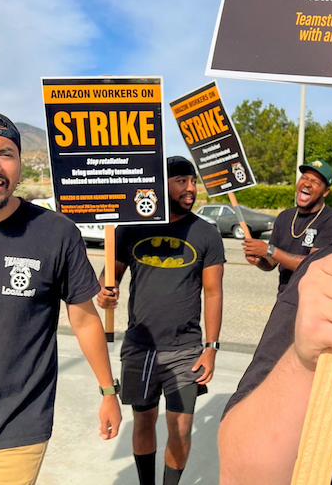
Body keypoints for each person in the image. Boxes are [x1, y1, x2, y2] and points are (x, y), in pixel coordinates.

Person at [0, 110, 121, 485]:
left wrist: (109, 391)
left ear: (20, 165)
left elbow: (84, 317)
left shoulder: (56, 232)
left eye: (6, 154)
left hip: (21, 422)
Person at [96, 157, 224, 485]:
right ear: (160, 184)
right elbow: (110, 278)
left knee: (180, 427)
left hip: (185, 349)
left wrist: (211, 347)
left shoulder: (205, 232)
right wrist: (105, 293)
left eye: (192, 181)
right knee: (143, 423)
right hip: (140, 347)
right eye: (181, 181)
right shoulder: (130, 227)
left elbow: (213, 293)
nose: (191, 188)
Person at [219, 243, 332, 483]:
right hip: (311, 313)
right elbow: (240, 472)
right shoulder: (289, 221)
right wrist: (304, 358)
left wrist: (270, 250)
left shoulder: (329, 222)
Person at [242, 160, 332, 293]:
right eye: (304, 178)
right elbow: (271, 263)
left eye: (315, 182)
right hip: (284, 297)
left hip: (314, 300)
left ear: (325, 192)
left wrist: (270, 250)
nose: (307, 183)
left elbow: (313, 265)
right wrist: (258, 259)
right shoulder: (285, 217)